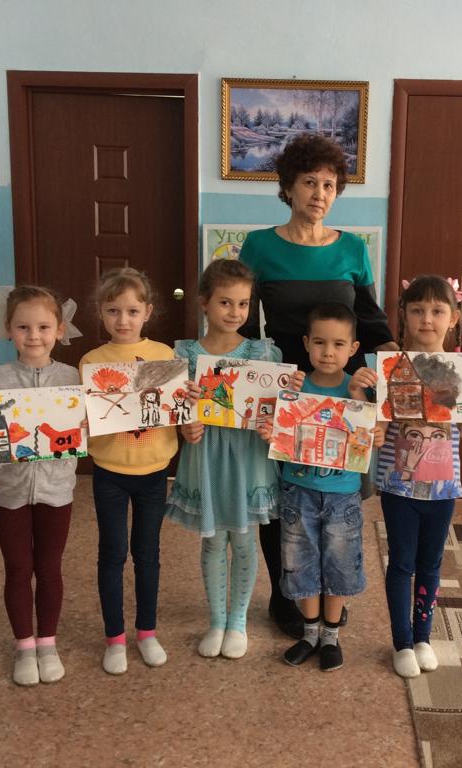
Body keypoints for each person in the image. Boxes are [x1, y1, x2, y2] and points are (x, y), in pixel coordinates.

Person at [239, 133, 397, 636]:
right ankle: (287, 595)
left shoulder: (353, 248)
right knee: (282, 497)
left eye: (329, 185)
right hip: (284, 386)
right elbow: (246, 327)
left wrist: (406, 368)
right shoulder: (259, 245)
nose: (319, 194)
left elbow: (372, 323)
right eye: (310, 182)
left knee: (334, 499)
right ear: (288, 187)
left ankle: (328, 598)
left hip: (338, 390)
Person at [164, 259, 291, 659]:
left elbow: (280, 410)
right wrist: (184, 427)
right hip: (206, 455)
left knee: (245, 541)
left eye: (243, 303)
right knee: (213, 541)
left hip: (248, 459)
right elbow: (172, 409)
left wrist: (277, 418)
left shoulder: (264, 353)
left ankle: (238, 621)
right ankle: (217, 620)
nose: (235, 312)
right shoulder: (183, 354)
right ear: (203, 302)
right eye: (225, 302)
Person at [376, 276, 462, 678]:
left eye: (437, 311)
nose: (426, 319)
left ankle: (423, 638)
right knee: (401, 563)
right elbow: (377, 424)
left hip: (444, 486)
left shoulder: (459, 371)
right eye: (417, 310)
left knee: (431, 564)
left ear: (453, 318)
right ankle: (402, 642)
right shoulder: (392, 366)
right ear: (404, 316)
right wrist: (367, 399)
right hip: (398, 484)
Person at [0, 285, 82, 686]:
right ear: (8, 329)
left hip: (56, 490)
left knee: (49, 568)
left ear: (59, 329)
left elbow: (80, 430)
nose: (34, 336)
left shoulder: (71, 377)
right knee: (17, 568)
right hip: (8, 491)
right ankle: (24, 646)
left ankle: (48, 642)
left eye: (43, 327)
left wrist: (87, 425)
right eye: (23, 327)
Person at [258, 302, 383, 671]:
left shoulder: (356, 387)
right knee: (300, 562)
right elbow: (278, 431)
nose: (328, 352)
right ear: (306, 343)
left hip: (343, 494)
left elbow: (369, 433)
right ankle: (309, 632)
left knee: (340, 562)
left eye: (338, 344)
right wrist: (270, 431)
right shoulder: (295, 385)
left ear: (353, 348)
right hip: (298, 491)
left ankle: (331, 636)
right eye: (320, 343)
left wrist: (360, 400)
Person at [79, 267, 177, 674]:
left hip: (154, 473)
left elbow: (176, 410)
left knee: (148, 555)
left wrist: (188, 410)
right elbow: (84, 416)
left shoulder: (165, 356)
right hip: (109, 473)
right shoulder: (91, 361)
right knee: (112, 553)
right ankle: (115, 637)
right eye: (113, 310)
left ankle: (147, 632)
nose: (123, 320)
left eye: (132, 311)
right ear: (100, 312)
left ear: (147, 312)